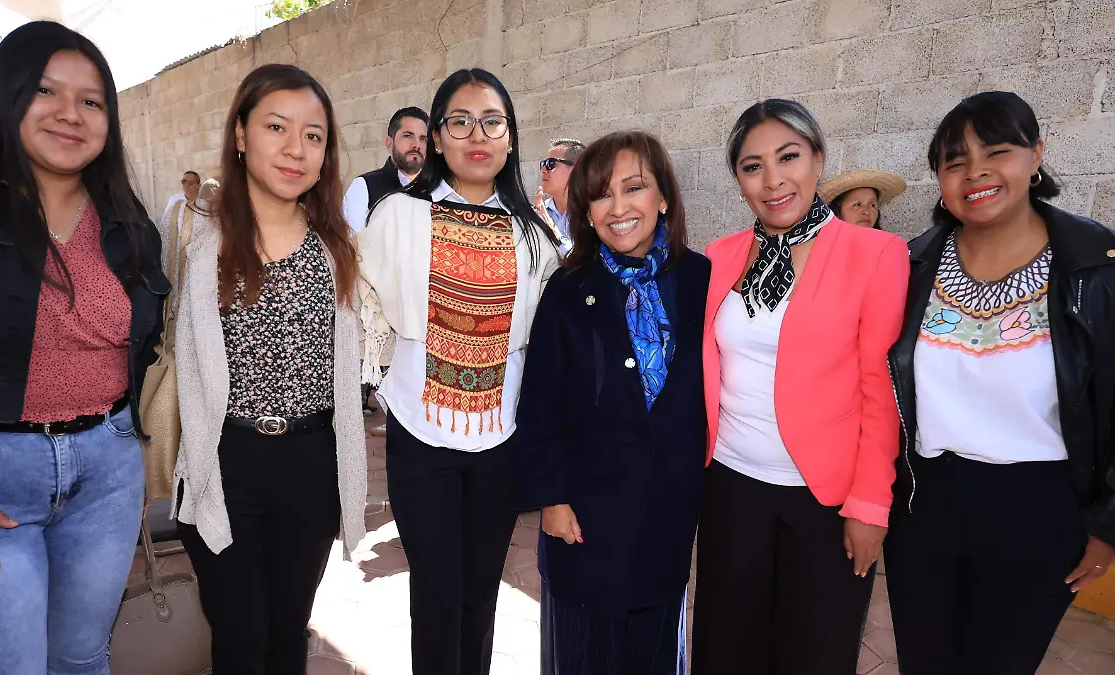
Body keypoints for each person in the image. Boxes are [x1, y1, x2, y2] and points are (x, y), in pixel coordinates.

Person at [0, 21, 167, 675]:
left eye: (91, 101)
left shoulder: (128, 219)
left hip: (105, 472)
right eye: (47, 91)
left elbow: (137, 343)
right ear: (6, 93)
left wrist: (126, 450)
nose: (70, 114)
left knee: (84, 657)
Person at [885, 91, 1115, 675]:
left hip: (1038, 509)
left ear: (1036, 156)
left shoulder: (1095, 269)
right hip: (924, 503)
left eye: (998, 151)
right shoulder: (913, 267)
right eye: (954, 161)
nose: (975, 172)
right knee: (925, 662)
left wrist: (1108, 525)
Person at [690, 99, 909, 675]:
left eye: (788, 157)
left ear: (818, 161)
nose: (773, 179)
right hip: (730, 487)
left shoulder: (875, 253)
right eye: (752, 166)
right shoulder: (721, 256)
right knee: (725, 645)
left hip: (824, 498)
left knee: (813, 650)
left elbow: (880, 388)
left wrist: (870, 503)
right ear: (738, 180)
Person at [356, 68, 559, 675]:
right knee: (438, 593)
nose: (478, 133)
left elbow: (549, 341)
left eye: (492, 121)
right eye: (460, 121)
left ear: (510, 138)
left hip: (501, 443)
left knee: (481, 594)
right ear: (437, 139)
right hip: (421, 440)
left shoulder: (534, 237)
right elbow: (361, 298)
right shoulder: (397, 218)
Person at [169, 63, 368, 674]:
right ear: (239, 134)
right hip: (225, 463)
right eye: (277, 127)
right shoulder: (203, 242)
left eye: (314, 135)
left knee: (287, 634)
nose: (296, 149)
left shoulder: (337, 245)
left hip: (312, 463)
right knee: (238, 636)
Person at [517, 130, 709, 675]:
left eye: (635, 188)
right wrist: (551, 499)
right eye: (602, 194)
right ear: (585, 208)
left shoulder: (700, 280)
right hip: (584, 521)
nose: (619, 208)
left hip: (666, 518)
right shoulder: (568, 289)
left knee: (653, 653)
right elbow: (539, 406)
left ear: (664, 197)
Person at [342, 106, 429, 232]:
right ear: (389, 143)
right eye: (408, 136)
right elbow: (350, 246)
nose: (417, 144)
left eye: (423, 138)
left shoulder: (437, 191)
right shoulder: (364, 187)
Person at [534, 138, 585, 253]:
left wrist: (554, 232)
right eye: (543, 164)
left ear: (576, 169)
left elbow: (586, 264)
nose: (543, 170)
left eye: (551, 164)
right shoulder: (537, 214)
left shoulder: (593, 214)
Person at [817, 168, 906, 230]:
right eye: (857, 204)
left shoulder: (888, 248)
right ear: (837, 212)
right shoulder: (821, 248)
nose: (866, 211)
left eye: (872, 205)